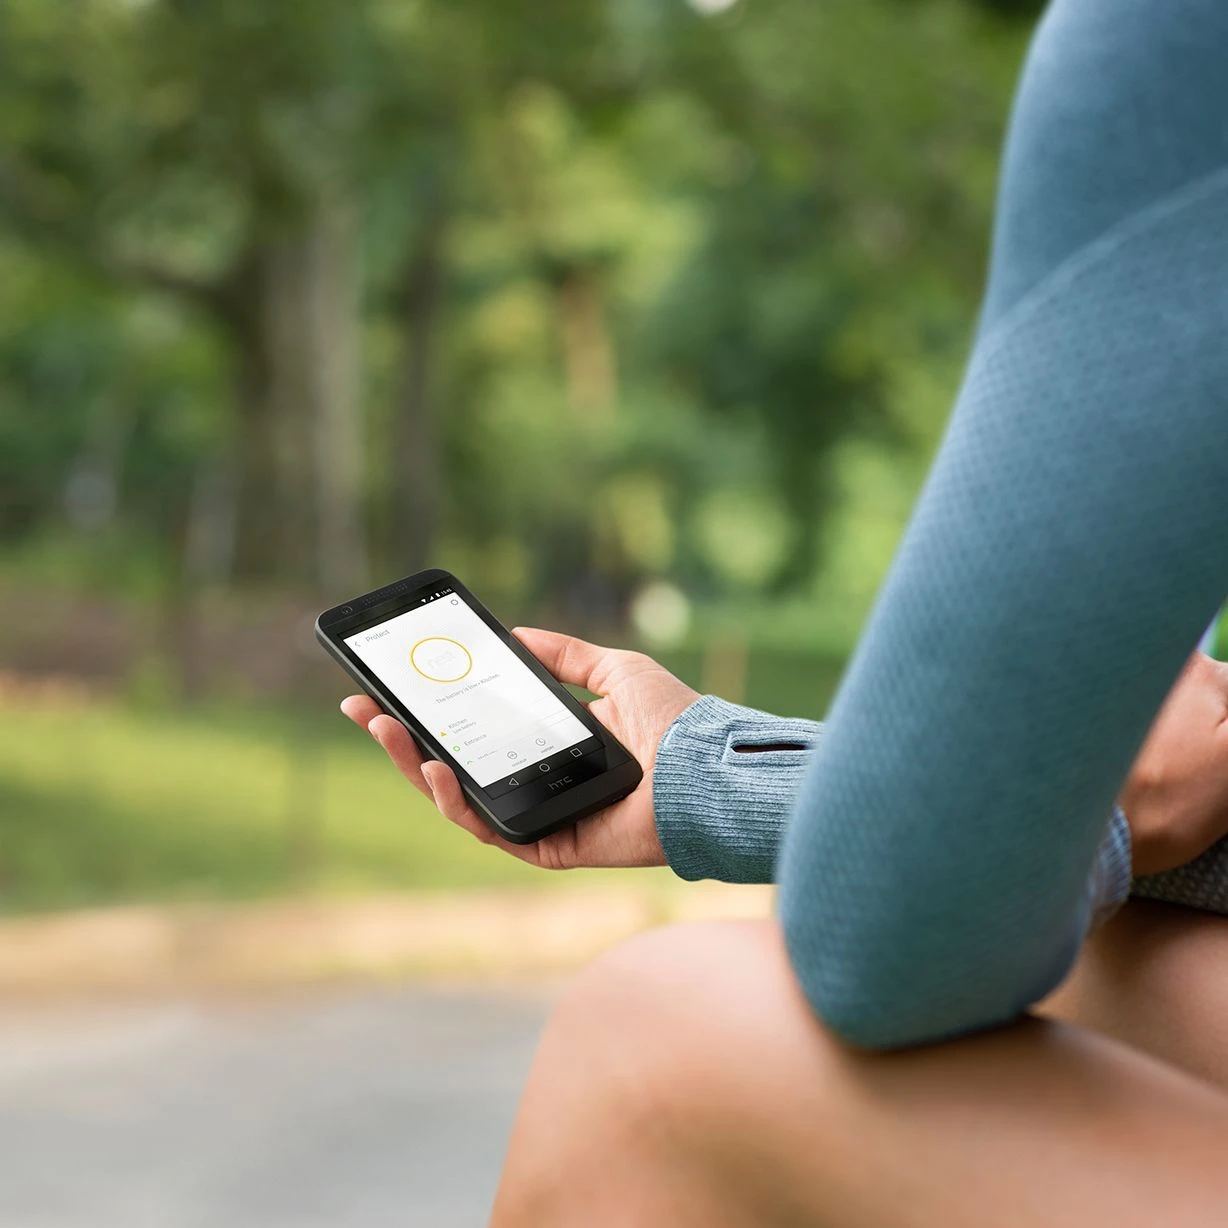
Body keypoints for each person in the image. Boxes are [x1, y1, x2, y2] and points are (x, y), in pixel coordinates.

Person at [344, 0, 1228, 1221]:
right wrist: (708, 769)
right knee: (1114, 967)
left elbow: (900, 942)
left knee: (652, 1040)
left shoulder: (1174, 52)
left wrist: (1107, 797)